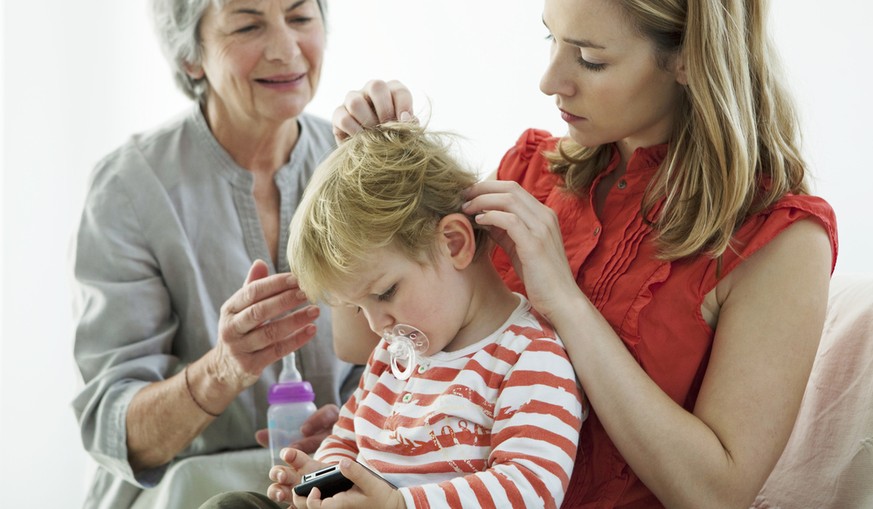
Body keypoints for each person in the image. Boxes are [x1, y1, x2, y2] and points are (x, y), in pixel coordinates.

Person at [325, 1, 839, 507]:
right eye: (551, 38)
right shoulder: (527, 174)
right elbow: (359, 343)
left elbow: (716, 495)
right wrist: (359, 178)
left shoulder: (781, 240)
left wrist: (566, 304)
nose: (549, 81)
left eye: (591, 58)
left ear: (689, 57)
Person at [201, 122, 585, 508]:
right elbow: (347, 438)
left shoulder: (529, 357)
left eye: (384, 293)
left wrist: (398, 505)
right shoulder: (393, 355)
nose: (376, 325)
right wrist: (321, 482)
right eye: (358, 307)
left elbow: (529, 488)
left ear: (454, 243)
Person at [69, 1, 361, 508]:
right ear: (191, 57)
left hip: (327, 487)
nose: (286, 50)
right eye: (248, 25)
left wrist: (355, 427)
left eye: (300, 18)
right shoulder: (131, 189)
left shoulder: (354, 167)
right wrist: (223, 369)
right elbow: (115, 431)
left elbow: (411, 360)